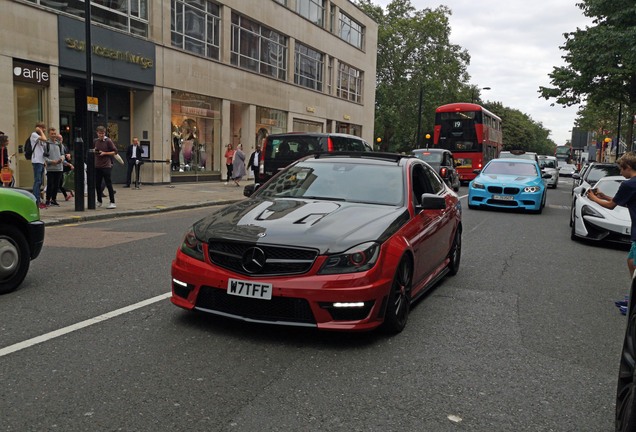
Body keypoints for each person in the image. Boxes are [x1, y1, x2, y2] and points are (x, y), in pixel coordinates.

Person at [586, 152, 636, 314]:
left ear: (628, 168)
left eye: (621, 170)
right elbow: (621, 201)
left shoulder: (629, 184)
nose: (620, 173)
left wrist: (593, 198)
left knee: (633, 263)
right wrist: (604, 196)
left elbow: (611, 206)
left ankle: (634, 301)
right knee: (631, 260)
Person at [94, 125, 118, 209]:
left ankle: (112, 202)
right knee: (97, 184)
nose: (101, 135)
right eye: (100, 133)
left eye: (103, 133)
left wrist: (105, 153)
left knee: (108, 184)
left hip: (106, 166)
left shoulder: (108, 141)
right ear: (97, 133)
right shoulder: (95, 141)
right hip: (97, 165)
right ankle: (99, 201)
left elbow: (115, 152)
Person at [44, 127, 65, 207]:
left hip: (59, 168)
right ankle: (48, 199)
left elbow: (63, 154)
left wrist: (61, 159)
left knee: (56, 185)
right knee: (50, 184)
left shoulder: (59, 144)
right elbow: (45, 157)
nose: (53, 135)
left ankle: (54, 199)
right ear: (49, 134)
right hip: (50, 168)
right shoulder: (46, 144)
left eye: (54, 134)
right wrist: (52, 161)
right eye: (52, 134)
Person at [30, 122, 48, 209]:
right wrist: (40, 131)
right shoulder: (34, 134)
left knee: (40, 181)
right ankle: (36, 201)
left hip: (41, 161)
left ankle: (38, 200)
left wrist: (44, 161)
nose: (44, 130)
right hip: (36, 161)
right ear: (39, 128)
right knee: (37, 181)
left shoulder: (40, 136)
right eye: (43, 128)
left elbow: (44, 146)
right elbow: (45, 139)